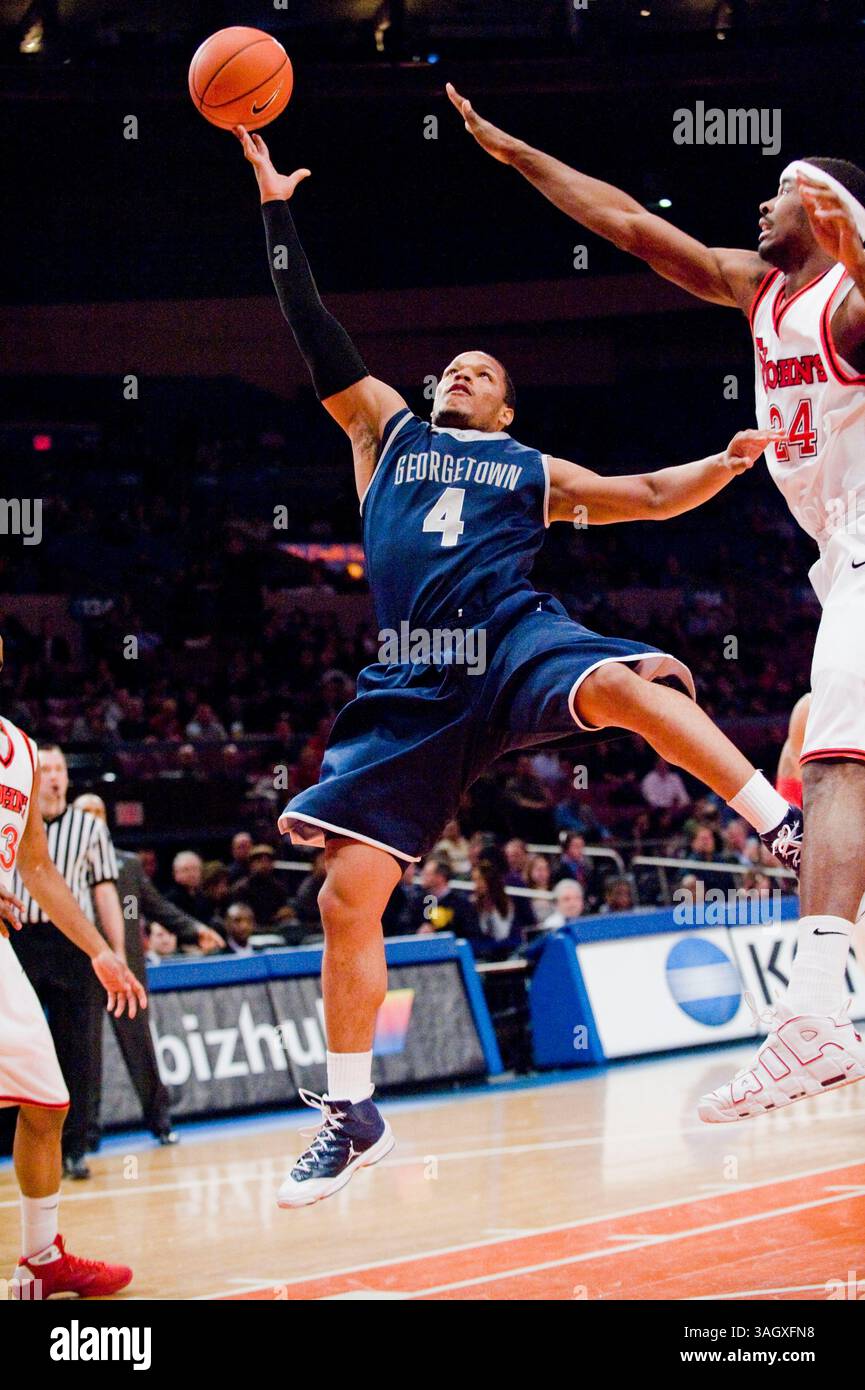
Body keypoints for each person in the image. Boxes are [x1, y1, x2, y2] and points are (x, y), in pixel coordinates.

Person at [235, 124, 802, 1208]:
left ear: (504, 409)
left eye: (481, 373)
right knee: (345, 899)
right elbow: (310, 326)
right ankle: (353, 1114)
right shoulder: (383, 436)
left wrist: (724, 466)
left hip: (511, 637)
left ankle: (774, 824)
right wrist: (274, 209)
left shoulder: (527, 466)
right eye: (452, 366)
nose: (459, 374)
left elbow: (640, 497)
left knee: (626, 690)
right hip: (414, 682)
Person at [448, 85, 865, 1119]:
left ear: (824, 219)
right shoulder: (753, 291)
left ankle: (811, 1021)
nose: (758, 208)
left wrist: (860, 249)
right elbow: (629, 225)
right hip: (837, 559)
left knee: (833, 764)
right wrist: (517, 156)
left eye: (781, 195)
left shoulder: (843, 307)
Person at [0, 641, 145, 1297]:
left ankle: (40, 1257)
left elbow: (37, 869)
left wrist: (100, 950)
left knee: (47, 1100)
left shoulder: (22, 751)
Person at [72, 794, 223, 1149]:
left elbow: (158, 907)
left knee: (141, 1048)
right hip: (81, 970)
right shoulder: (62, 868)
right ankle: (85, 1137)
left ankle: (161, 1124)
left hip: (127, 971)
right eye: (85, 813)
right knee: (84, 1055)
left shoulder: (127, 865)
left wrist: (193, 929)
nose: (93, 818)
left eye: (97, 812)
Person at [11, 745, 128, 1181]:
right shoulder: (15, 819)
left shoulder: (89, 828)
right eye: (46, 769)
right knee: (20, 1049)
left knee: (78, 1049)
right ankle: (21, 1144)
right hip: (22, 938)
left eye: (60, 769)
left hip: (74, 945)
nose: (55, 776)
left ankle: (75, 1148)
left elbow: (104, 891)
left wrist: (114, 951)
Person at [410, 857, 480, 939]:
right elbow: (405, 926)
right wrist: (417, 932)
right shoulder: (417, 902)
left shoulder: (461, 905)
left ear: (440, 877)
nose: (422, 876)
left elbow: (471, 934)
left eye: (427, 874)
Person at [230, 843, 291, 926]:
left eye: (267, 861)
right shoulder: (241, 888)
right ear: (251, 864)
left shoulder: (278, 887)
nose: (264, 865)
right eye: (259, 861)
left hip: (274, 928)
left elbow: (283, 909)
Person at [166, 851, 211, 921]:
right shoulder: (171, 899)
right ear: (175, 873)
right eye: (186, 870)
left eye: (195, 869)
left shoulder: (203, 898)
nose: (192, 874)